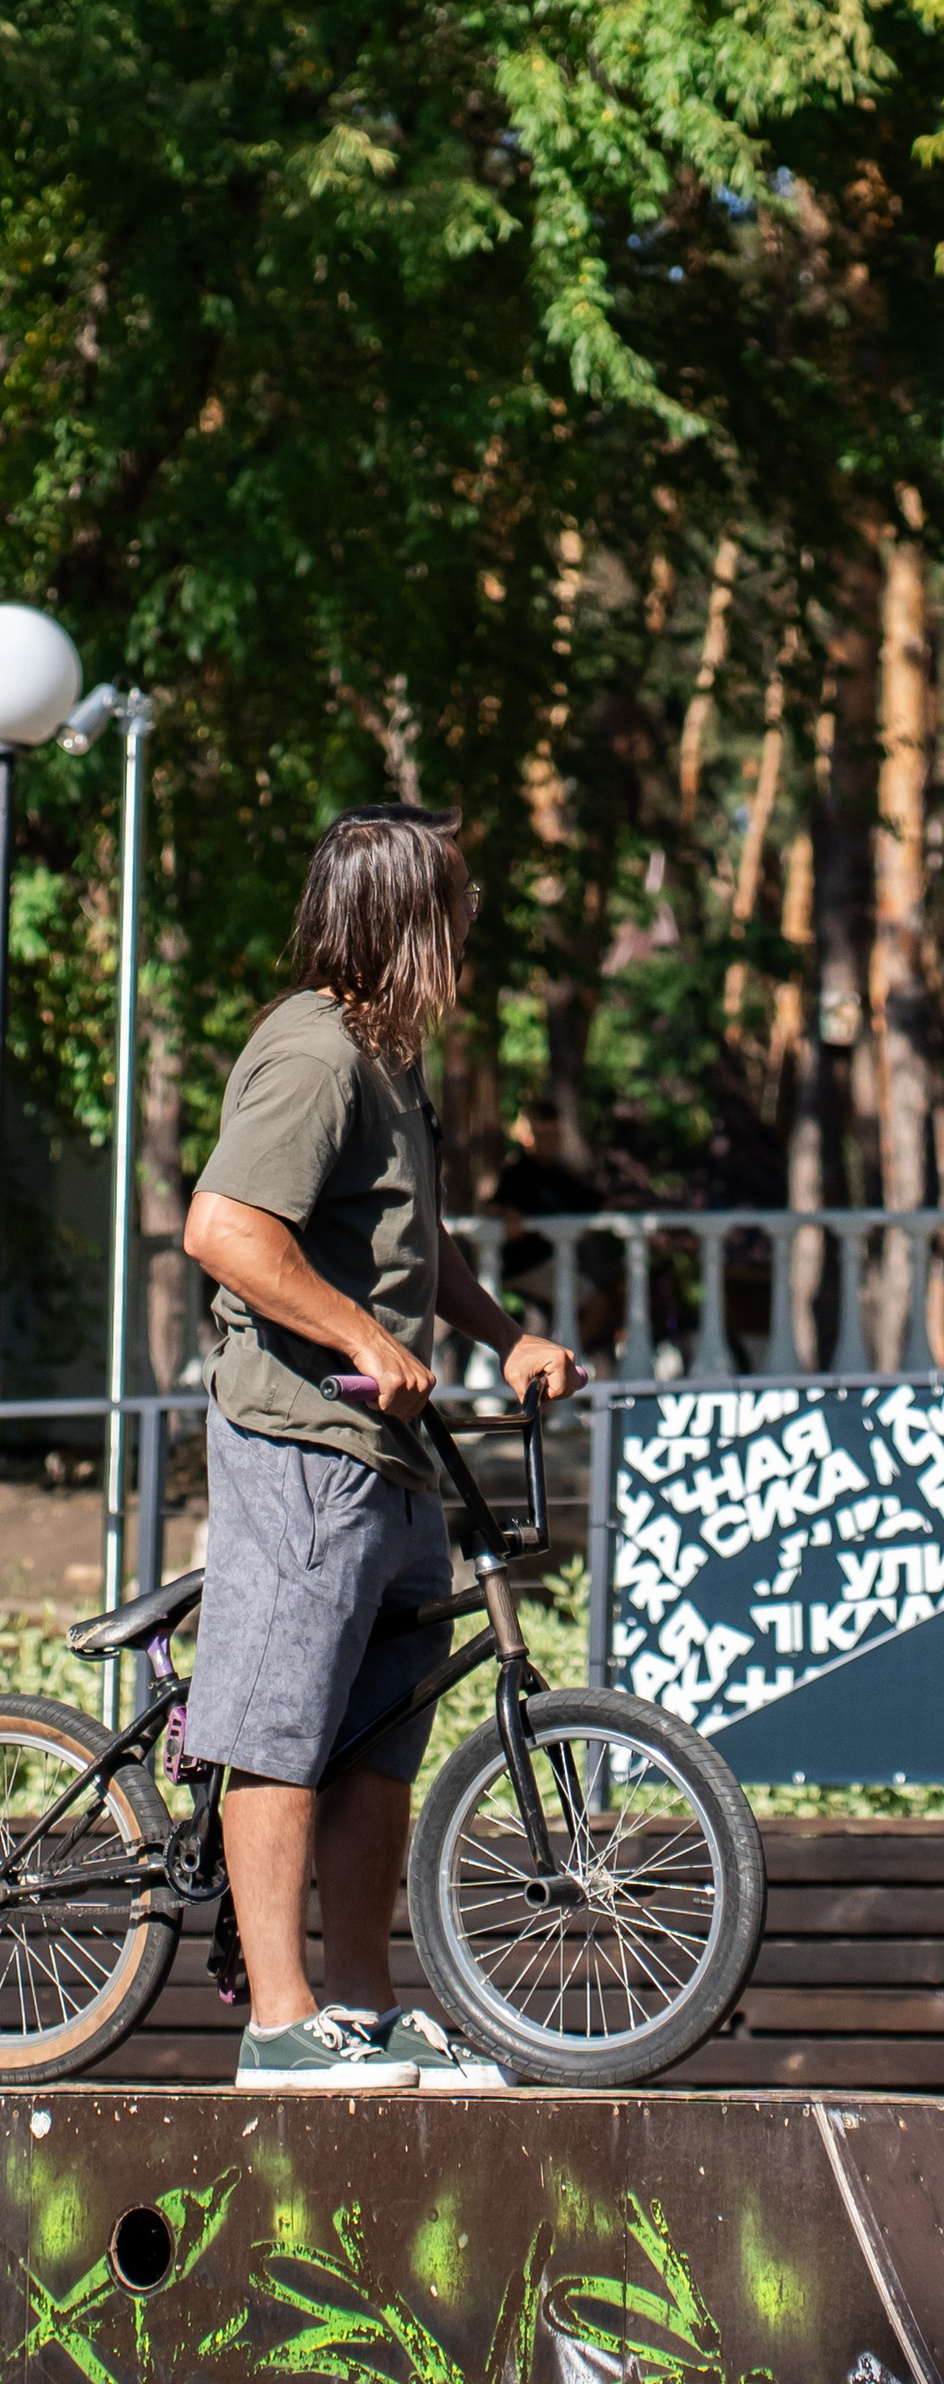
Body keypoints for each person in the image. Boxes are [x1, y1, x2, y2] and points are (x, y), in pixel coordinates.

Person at [182, 806, 580, 2092]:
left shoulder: (389, 1062)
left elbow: (420, 1246)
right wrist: (364, 1333)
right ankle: (281, 2023)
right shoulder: (311, 1056)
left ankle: (359, 2004)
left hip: (386, 1453)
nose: (469, 927)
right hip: (302, 1439)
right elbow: (228, 1231)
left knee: (373, 1741)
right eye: (454, 904)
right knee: (282, 1722)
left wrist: (505, 1335)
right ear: (405, 918)